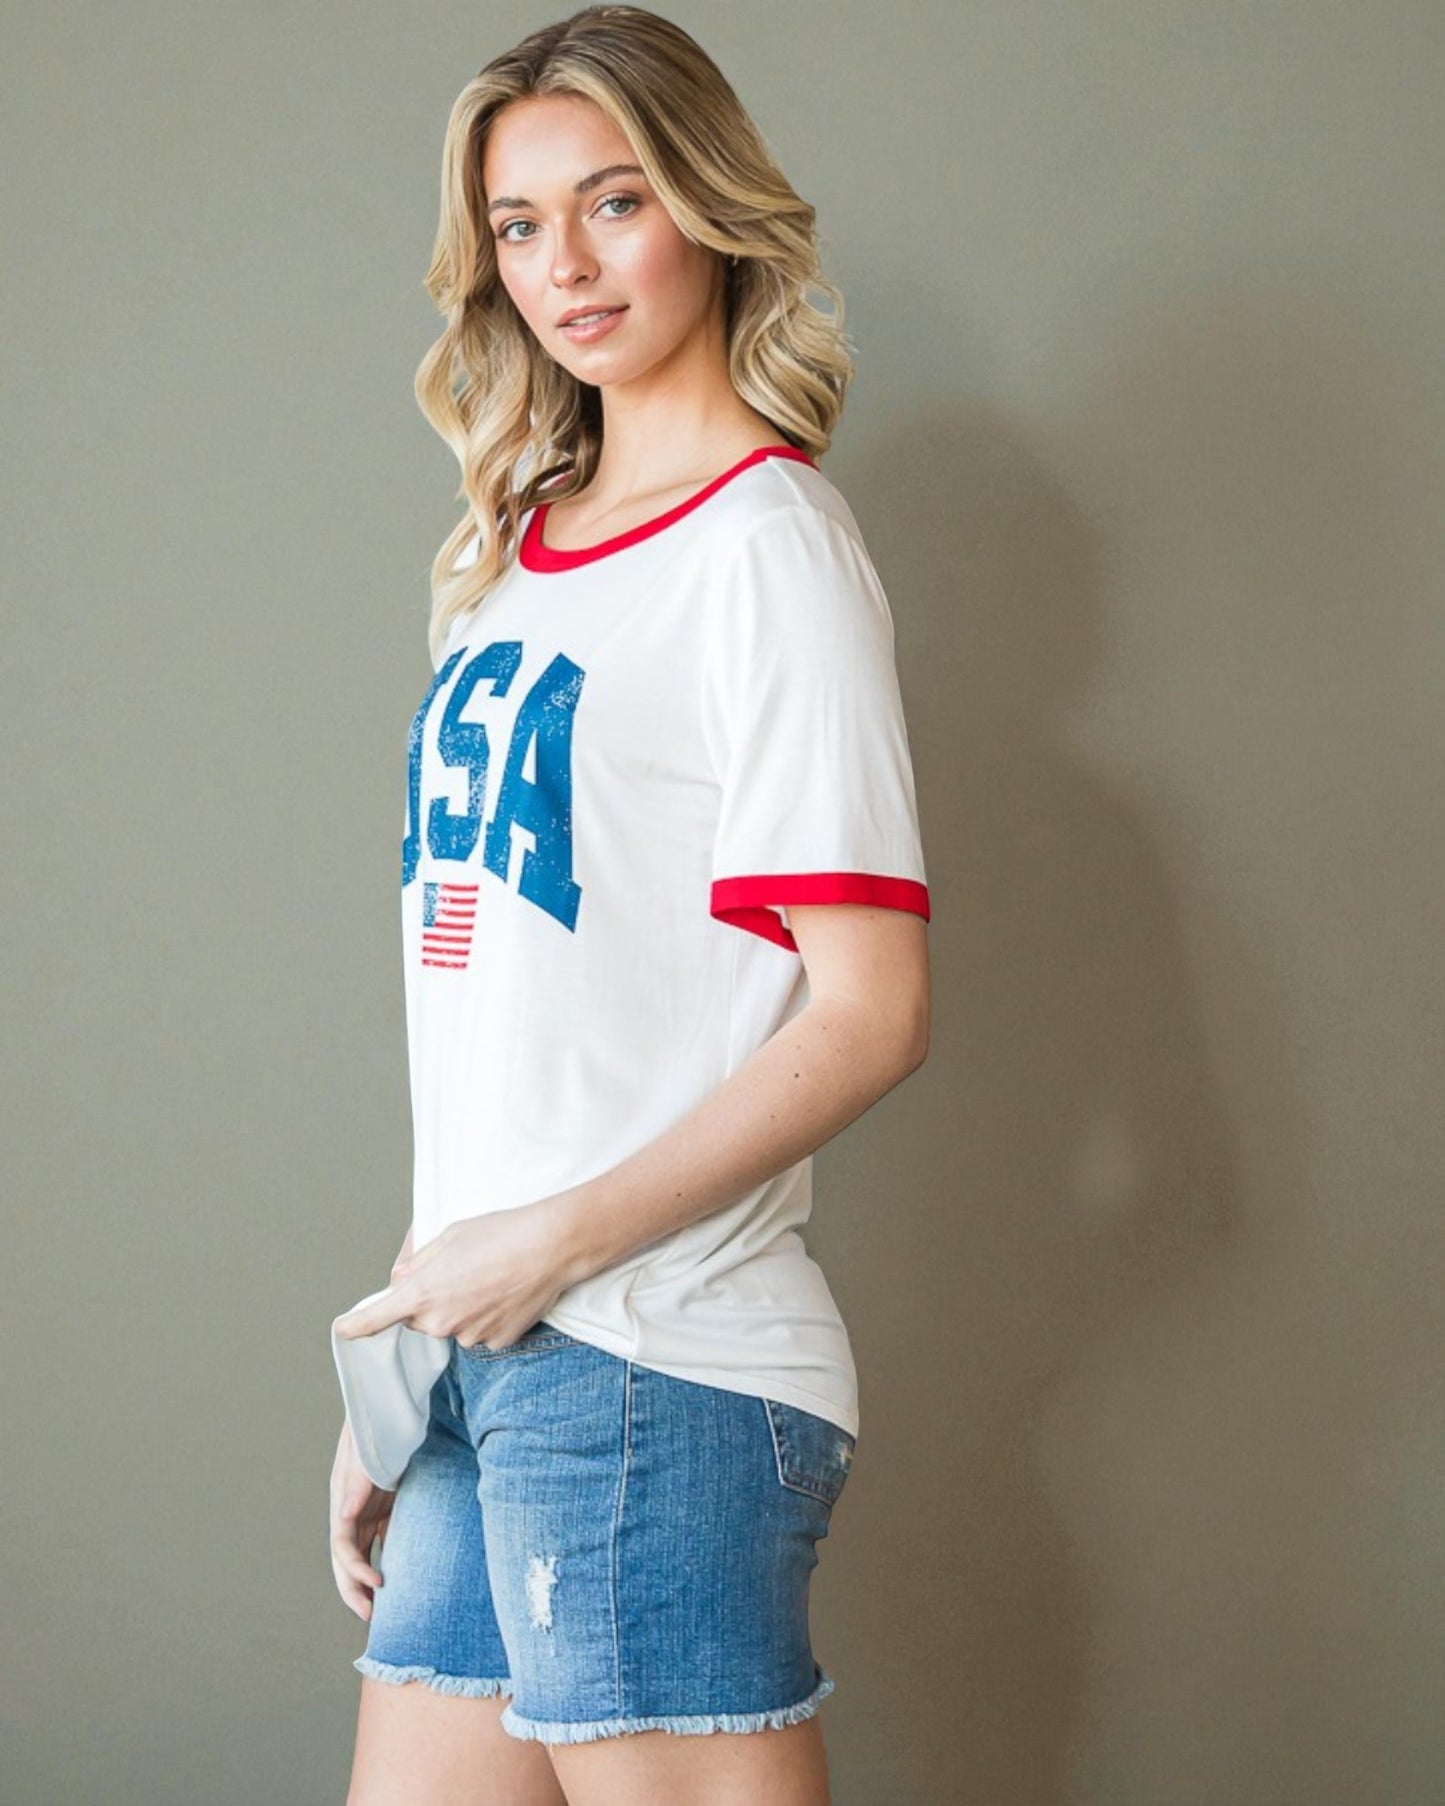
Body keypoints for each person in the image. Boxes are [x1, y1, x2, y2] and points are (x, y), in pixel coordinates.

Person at [327, 7, 931, 1802]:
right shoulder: (506, 565)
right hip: (484, 1360)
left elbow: (871, 1008)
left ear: (709, 211)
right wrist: (413, 1334)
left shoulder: (769, 549)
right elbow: (528, 1013)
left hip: (659, 1369)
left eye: (612, 203)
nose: (564, 265)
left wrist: (549, 1249)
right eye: (519, 225)